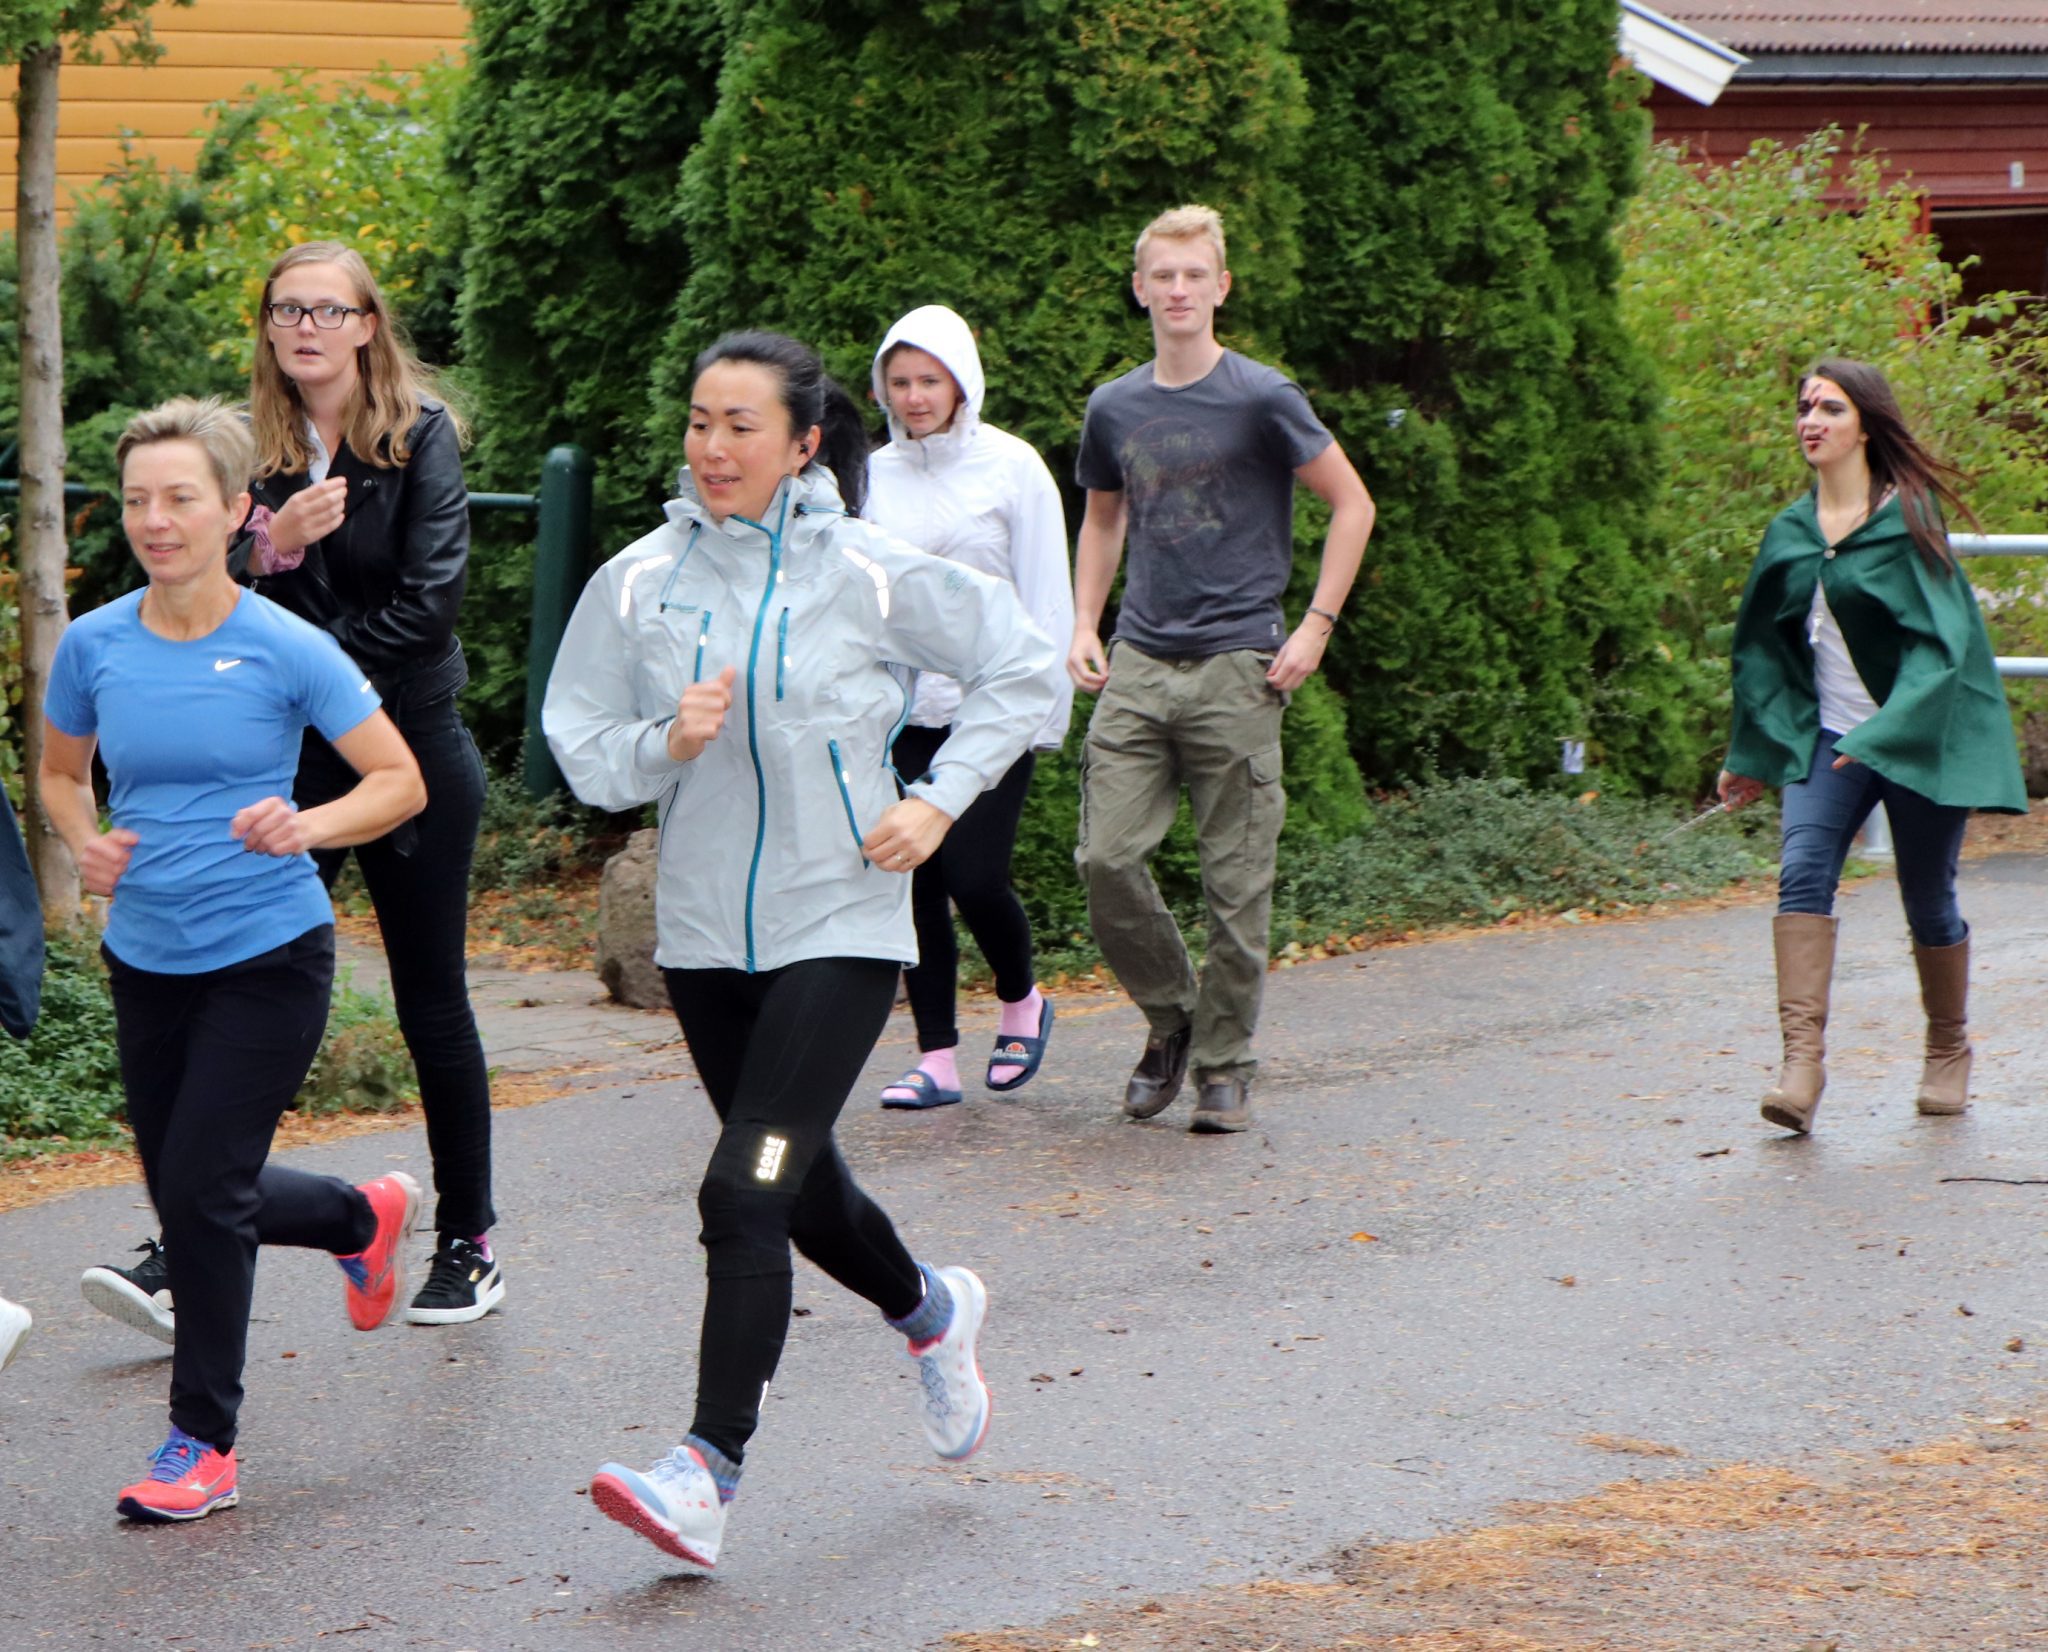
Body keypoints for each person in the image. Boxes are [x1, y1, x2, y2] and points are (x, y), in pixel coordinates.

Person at [544, 330, 1055, 1569]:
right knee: (791, 1173)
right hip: (704, 937)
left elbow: (1023, 663)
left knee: (741, 1185)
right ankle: (930, 1308)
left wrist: (939, 801)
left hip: (841, 920)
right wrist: (662, 742)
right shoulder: (638, 581)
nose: (713, 447)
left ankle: (704, 1470)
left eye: (741, 425)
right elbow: (579, 739)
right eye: (699, 422)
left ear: (803, 442)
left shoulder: (867, 572)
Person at [80, 242, 504, 1337]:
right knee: (231, 977)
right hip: (280, 764)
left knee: (431, 1000)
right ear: (267, 327)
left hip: (407, 745)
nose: (306, 327)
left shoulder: (419, 435)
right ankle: (194, 1231)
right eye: (286, 310)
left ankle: (467, 1238)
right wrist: (270, 552)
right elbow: (206, 585)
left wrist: (301, 661)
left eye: (328, 309)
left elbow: (429, 607)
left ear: (368, 325)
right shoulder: (249, 451)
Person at [40, 396, 428, 1521]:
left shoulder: (285, 645)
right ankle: (356, 1218)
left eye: (179, 498)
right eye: (137, 501)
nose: (155, 521)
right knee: (187, 1187)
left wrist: (304, 824)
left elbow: (398, 780)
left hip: (268, 951)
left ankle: (202, 1441)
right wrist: (83, 840)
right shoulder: (94, 644)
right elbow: (61, 773)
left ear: (234, 510)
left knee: (203, 1192)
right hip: (145, 954)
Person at [1069, 204, 1375, 1134]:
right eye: (1162, 276)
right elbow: (1103, 518)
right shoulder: (1114, 406)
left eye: (1194, 275)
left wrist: (1315, 627)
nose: (1178, 290)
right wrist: (1083, 622)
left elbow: (1353, 505)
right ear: (1139, 289)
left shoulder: (1262, 396)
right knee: (1104, 859)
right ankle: (1174, 1019)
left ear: (1221, 287)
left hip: (1241, 668)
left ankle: (1224, 1066)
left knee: (1236, 887)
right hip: (1138, 662)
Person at [1717, 358, 2024, 1135]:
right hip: (1828, 740)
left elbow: (1941, 649)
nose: (1810, 420)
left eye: (1830, 408)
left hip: (1917, 739)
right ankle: (1801, 1066)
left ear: (1864, 426)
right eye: (1804, 407)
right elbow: (1763, 654)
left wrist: (1884, 734)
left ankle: (1948, 1047)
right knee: (1802, 874)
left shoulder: (1908, 522)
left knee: (1928, 899)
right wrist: (1753, 753)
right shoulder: (1790, 533)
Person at [865, 305, 1074, 1108]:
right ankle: (937, 1057)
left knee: (974, 875)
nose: (915, 397)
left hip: (993, 709)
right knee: (913, 883)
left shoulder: (1013, 467)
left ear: (961, 383)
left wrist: (1042, 713)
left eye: (930, 380)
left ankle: (1022, 999)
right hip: (902, 715)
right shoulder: (872, 477)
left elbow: (1045, 591)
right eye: (900, 381)